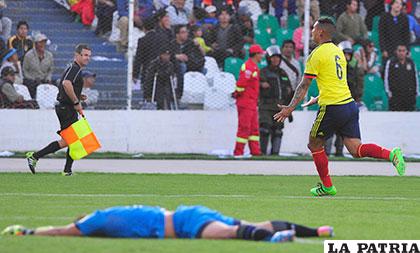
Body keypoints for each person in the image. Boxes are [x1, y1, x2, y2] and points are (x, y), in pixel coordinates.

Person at [273, 18, 406, 197]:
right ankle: (392, 155)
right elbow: (335, 81)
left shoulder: (317, 54)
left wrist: (290, 107)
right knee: (355, 149)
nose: (311, 32)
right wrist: (319, 97)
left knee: (314, 143)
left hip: (333, 107)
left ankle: (327, 186)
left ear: (321, 32)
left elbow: (304, 84)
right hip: (349, 105)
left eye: (313, 29)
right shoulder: (338, 52)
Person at [1, 204, 334, 242]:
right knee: (254, 222)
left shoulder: (90, 224)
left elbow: (63, 231)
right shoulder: (107, 213)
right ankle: (313, 231)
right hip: (188, 212)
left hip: (187, 223)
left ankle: (279, 239)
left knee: (230, 234)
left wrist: (29, 231)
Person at [25, 44, 92, 176]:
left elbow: (67, 85)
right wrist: (76, 102)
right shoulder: (75, 69)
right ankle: (35, 156)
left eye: (89, 55)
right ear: (77, 55)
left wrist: (78, 95)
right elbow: (66, 84)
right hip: (66, 108)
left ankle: (67, 170)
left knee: (72, 139)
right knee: (70, 139)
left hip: (65, 107)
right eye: (84, 55)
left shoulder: (74, 68)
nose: (87, 58)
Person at [259, 45, 293, 155]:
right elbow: (256, 85)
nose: (276, 60)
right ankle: (262, 153)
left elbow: (289, 90)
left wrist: (289, 109)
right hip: (266, 106)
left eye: (278, 57)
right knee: (264, 129)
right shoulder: (263, 72)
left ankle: (275, 154)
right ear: (268, 59)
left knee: (278, 131)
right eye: (273, 57)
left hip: (279, 107)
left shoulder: (283, 73)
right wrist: (261, 84)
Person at [232, 44, 265, 158]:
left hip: (251, 102)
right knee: (244, 127)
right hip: (246, 102)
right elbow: (241, 84)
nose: (262, 56)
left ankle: (255, 151)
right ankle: (238, 152)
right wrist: (238, 94)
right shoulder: (249, 67)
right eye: (261, 54)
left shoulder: (253, 66)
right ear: (256, 54)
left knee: (253, 128)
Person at [170, 25, 205, 100]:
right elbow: (167, 56)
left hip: (191, 64)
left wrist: (198, 46)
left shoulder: (191, 42)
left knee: (203, 69)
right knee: (182, 67)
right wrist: (177, 56)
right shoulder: (172, 44)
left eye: (186, 32)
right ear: (177, 34)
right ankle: (180, 92)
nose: (186, 34)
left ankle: (199, 94)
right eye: (183, 32)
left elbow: (203, 54)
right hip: (176, 66)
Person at [384, 44, 419, 111]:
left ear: (406, 52)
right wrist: (388, 92)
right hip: (395, 97)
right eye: (399, 51)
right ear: (396, 52)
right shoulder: (391, 62)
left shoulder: (411, 62)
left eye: (403, 51)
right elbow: (386, 78)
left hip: (409, 96)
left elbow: (415, 78)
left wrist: (416, 92)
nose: (401, 53)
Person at [143, 45, 176, 110]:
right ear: (161, 55)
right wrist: (147, 93)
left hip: (167, 85)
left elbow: (172, 77)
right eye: (165, 54)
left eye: (168, 55)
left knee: (167, 91)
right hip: (156, 86)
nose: (167, 57)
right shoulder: (154, 64)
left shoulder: (170, 65)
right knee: (159, 92)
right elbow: (149, 78)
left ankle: (168, 107)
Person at [22, 33, 55, 99]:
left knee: (56, 84)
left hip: (44, 79)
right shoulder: (29, 55)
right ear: (36, 44)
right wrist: (32, 79)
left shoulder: (49, 55)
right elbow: (25, 70)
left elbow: (51, 69)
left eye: (44, 42)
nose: (42, 44)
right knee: (30, 84)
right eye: (40, 42)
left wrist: (48, 78)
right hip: (32, 80)